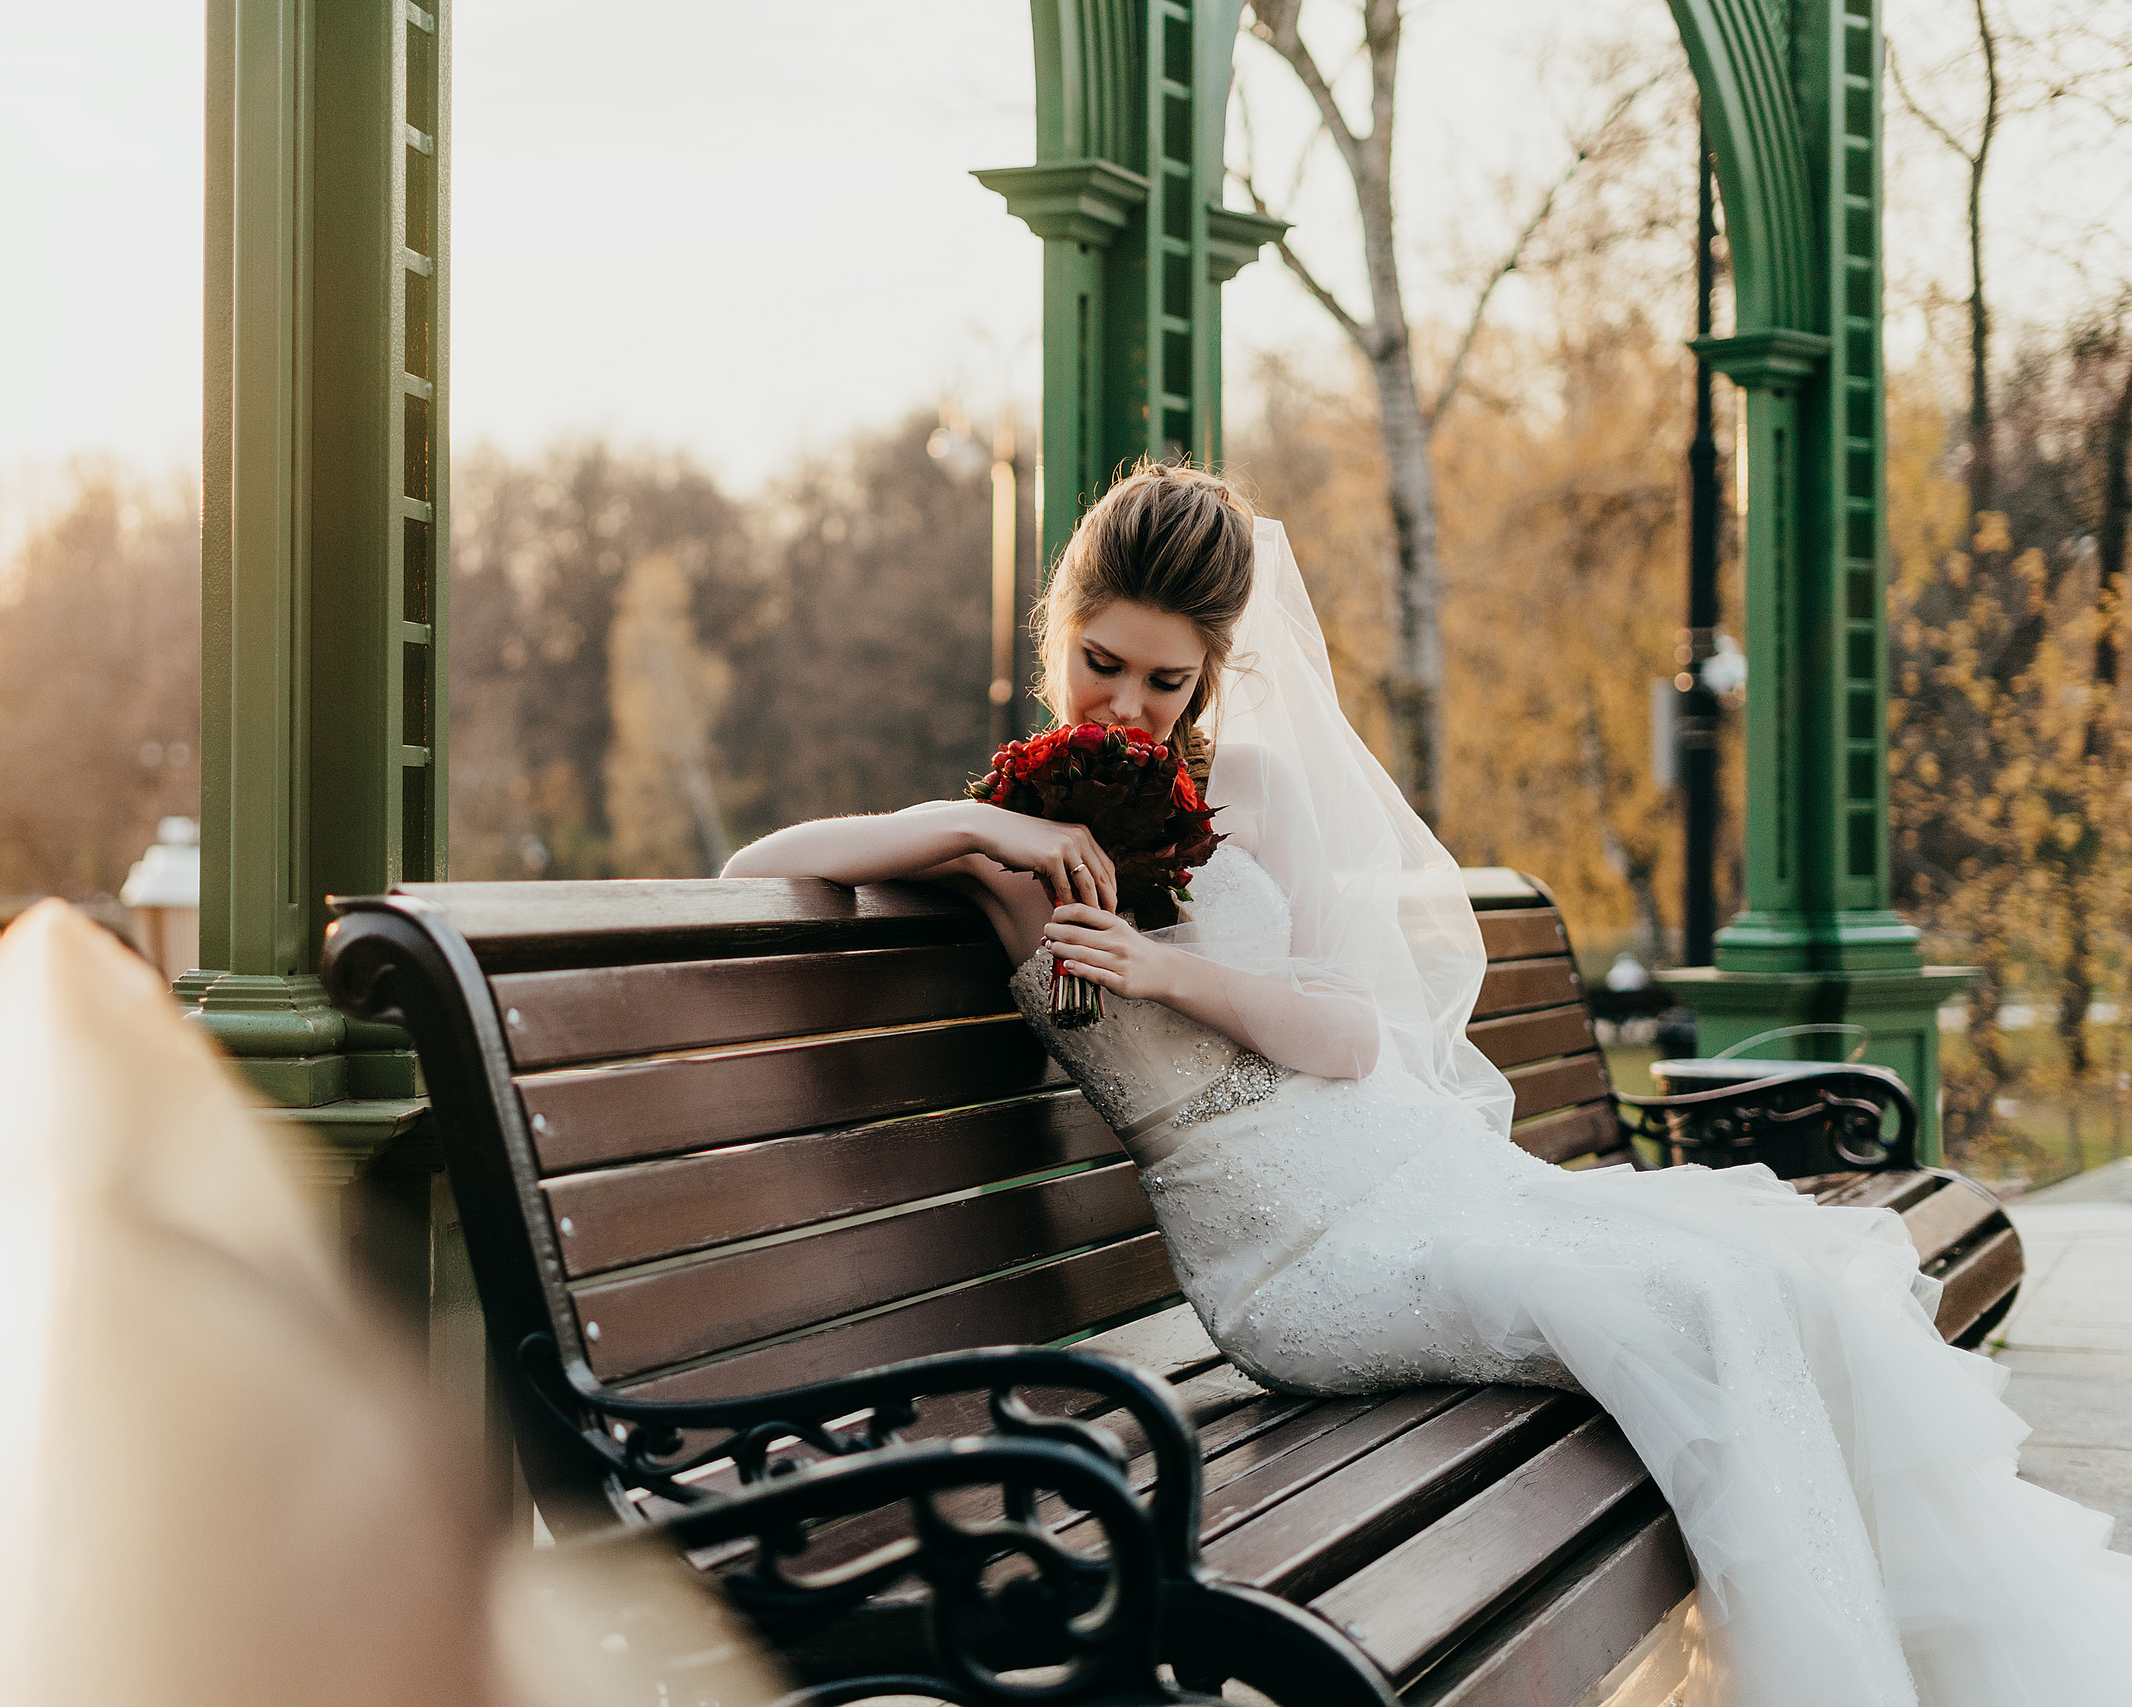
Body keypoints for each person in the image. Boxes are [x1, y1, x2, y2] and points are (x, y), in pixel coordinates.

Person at [722, 463, 2132, 1707]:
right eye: (1104, 664)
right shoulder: (999, 851)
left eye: (1170, 680)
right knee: (1696, 1303)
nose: (1133, 708)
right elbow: (753, 870)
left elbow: (1344, 1037)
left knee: (1771, 1278)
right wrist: (976, 821)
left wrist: (1168, 975)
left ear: (1213, 672)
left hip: (1415, 1170)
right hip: (1290, 1262)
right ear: (1059, 634)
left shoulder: (1257, 790)